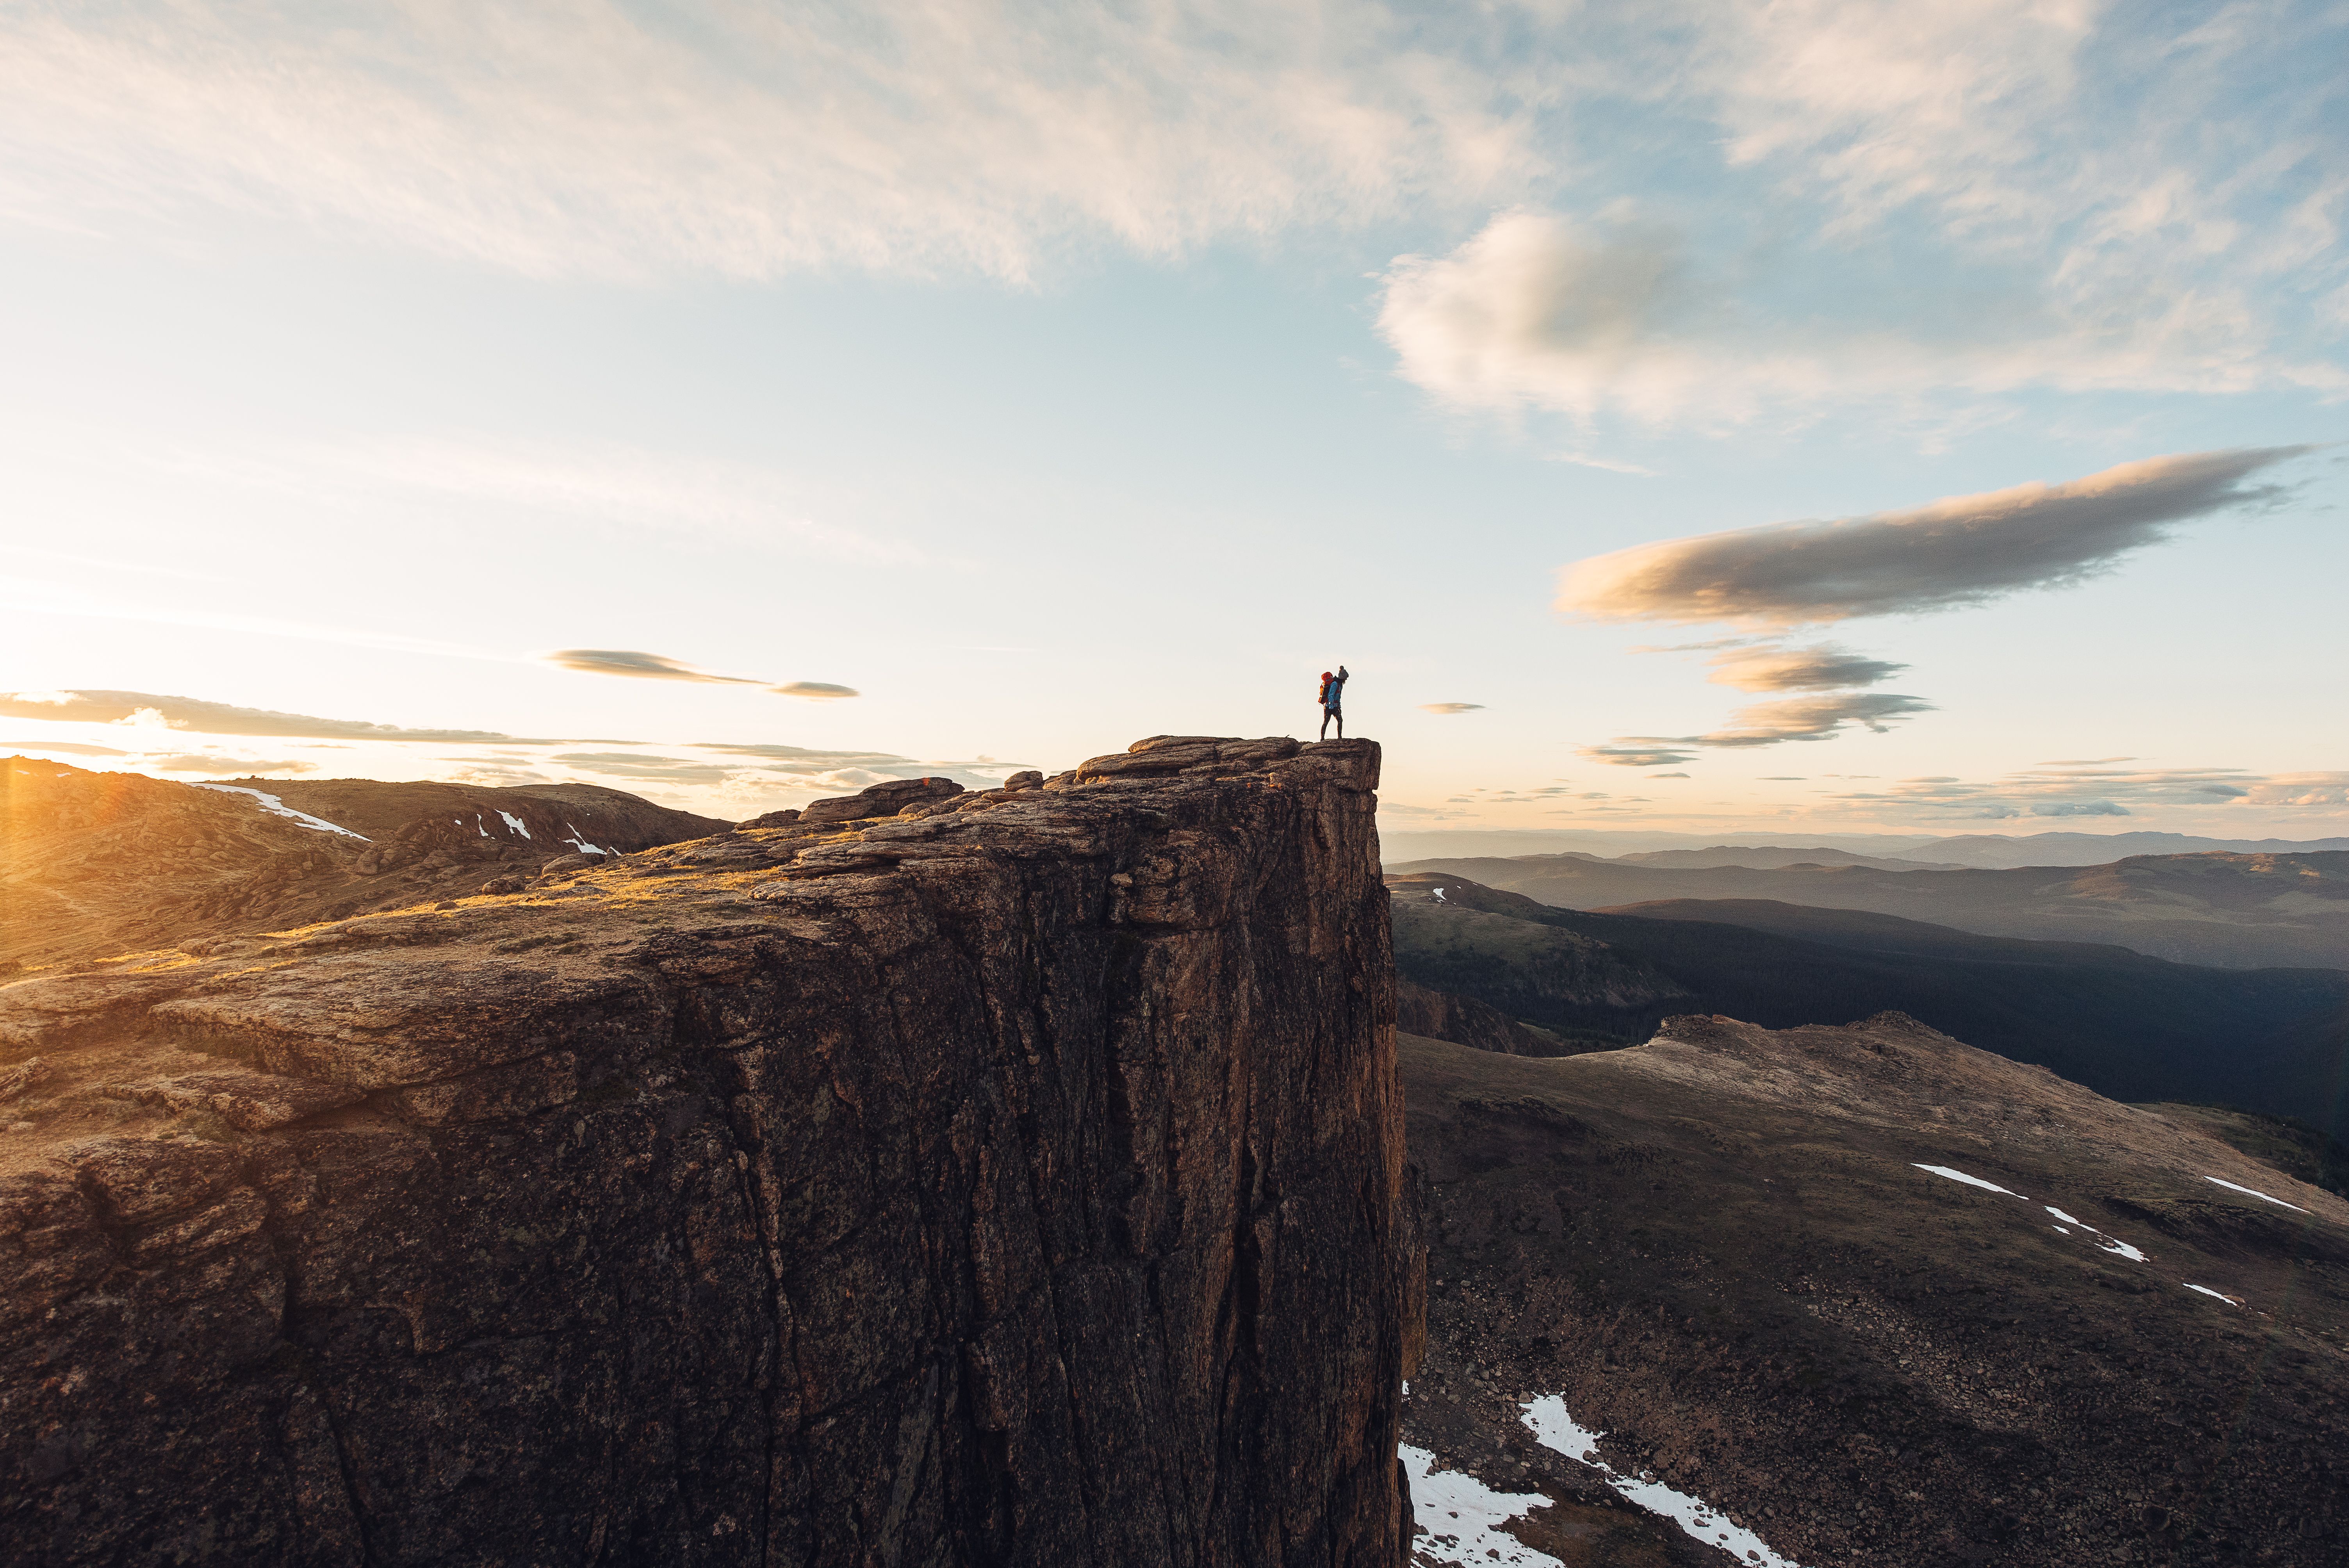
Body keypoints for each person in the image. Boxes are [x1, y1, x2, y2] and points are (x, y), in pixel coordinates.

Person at [1318, 665, 1349, 740]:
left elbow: (1338, 698)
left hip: (1335, 706)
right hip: (1329, 706)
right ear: (1343, 678)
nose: (1346, 680)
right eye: (1346, 678)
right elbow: (1331, 695)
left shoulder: (1340, 685)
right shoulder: (1335, 684)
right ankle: (1322, 739)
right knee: (1326, 722)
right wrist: (1332, 707)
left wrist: (1339, 707)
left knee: (1339, 720)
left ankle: (1339, 738)